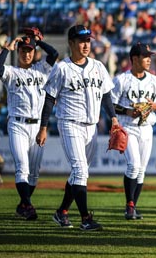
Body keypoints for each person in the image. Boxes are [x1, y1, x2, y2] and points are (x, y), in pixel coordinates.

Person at [36, 25, 119, 231]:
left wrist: (114, 119)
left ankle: (61, 212)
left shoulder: (98, 66)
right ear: (71, 43)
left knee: (78, 174)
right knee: (80, 171)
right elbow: (49, 99)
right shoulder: (62, 68)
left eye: (88, 41)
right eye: (81, 41)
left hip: (92, 127)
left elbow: (107, 95)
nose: (85, 45)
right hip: (70, 123)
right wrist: (43, 127)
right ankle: (85, 218)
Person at [0, 32, 58, 220]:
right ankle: (28, 206)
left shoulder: (41, 69)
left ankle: (23, 205)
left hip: (37, 127)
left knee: (34, 173)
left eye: (30, 50)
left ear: (34, 52)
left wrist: (39, 41)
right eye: (23, 50)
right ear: (18, 51)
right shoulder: (12, 72)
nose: (27, 54)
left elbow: (53, 54)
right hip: (17, 125)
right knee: (22, 168)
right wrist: (8, 48)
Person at [111, 43, 156, 220]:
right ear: (134, 59)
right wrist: (127, 111)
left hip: (146, 128)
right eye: (145, 56)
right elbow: (110, 105)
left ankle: (132, 207)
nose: (149, 59)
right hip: (128, 127)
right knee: (133, 165)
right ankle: (129, 205)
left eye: (149, 56)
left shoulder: (154, 80)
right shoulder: (121, 80)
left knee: (141, 169)